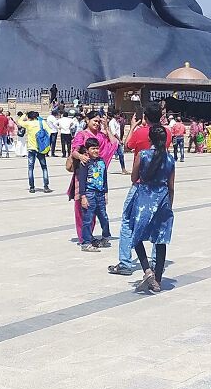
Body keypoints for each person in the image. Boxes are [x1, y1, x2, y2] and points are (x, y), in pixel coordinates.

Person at [108, 102, 171, 276]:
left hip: (140, 184)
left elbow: (127, 146)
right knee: (158, 224)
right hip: (160, 186)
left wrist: (133, 126)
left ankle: (125, 262)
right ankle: (156, 262)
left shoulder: (141, 132)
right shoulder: (167, 132)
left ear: (145, 117)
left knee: (128, 220)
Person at [124, 123, 175, 293]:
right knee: (161, 239)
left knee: (136, 234)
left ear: (149, 138)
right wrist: (169, 205)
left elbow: (134, 178)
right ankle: (158, 280)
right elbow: (171, 186)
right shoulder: (170, 159)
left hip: (144, 198)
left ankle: (146, 269)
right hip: (163, 199)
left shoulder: (143, 155)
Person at [68, 111, 117, 244]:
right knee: (82, 207)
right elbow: (74, 151)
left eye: (99, 121)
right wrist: (81, 156)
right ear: (87, 120)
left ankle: (89, 235)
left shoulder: (101, 135)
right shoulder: (81, 135)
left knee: (94, 209)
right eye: (95, 121)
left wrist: (106, 128)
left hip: (97, 177)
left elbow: (114, 144)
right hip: (83, 175)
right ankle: (84, 238)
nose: (97, 123)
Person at [77, 138, 111, 251]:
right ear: (87, 150)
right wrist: (83, 196)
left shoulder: (101, 162)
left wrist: (106, 192)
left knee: (104, 217)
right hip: (89, 193)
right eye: (93, 149)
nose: (96, 150)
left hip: (100, 193)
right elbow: (82, 181)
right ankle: (86, 242)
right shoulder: (85, 162)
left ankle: (105, 237)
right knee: (88, 218)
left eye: (97, 148)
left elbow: (105, 178)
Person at [17, 110, 52, 192]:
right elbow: (49, 132)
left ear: (29, 117)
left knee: (30, 168)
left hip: (31, 148)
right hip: (41, 148)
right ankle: (46, 186)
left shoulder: (28, 123)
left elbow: (19, 122)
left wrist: (24, 114)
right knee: (44, 168)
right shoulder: (42, 122)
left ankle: (32, 187)